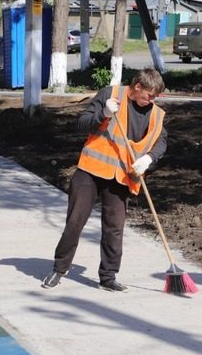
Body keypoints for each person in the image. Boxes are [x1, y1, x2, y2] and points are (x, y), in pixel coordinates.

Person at [42, 68, 168, 292]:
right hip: (91, 170)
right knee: (75, 222)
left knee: (114, 228)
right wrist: (105, 114)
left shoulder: (155, 113)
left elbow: (161, 140)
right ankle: (59, 269)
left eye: (156, 97)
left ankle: (108, 277)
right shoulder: (110, 96)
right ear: (137, 87)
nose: (152, 100)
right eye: (150, 95)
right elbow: (82, 124)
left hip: (120, 176)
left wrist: (149, 158)